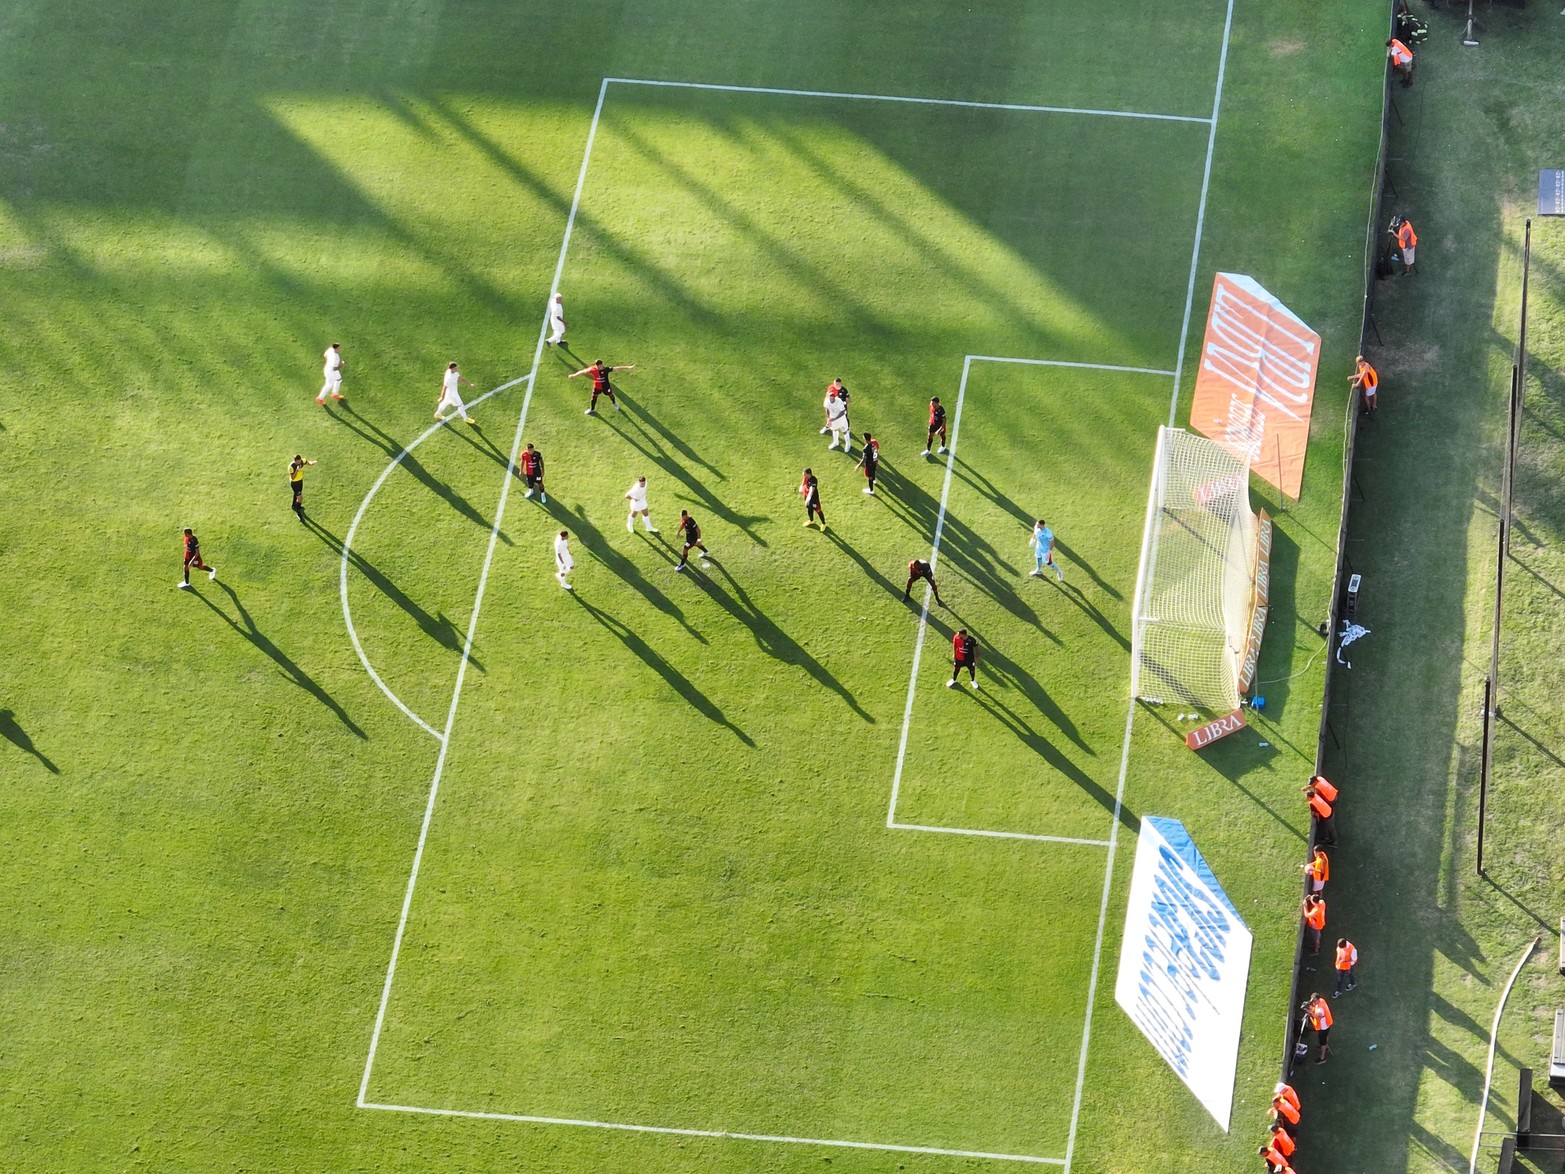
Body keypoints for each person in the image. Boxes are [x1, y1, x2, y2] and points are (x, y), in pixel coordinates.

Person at [569, 359, 634, 414]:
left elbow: (616, 368)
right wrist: (574, 375)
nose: (601, 366)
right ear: (597, 366)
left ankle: (614, 403)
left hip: (606, 386)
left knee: (610, 395)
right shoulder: (592, 369)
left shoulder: (606, 369)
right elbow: (582, 372)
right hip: (597, 387)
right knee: (594, 397)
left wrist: (628, 367)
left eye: (602, 365)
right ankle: (592, 409)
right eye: (600, 365)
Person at [1305, 775, 1339, 846]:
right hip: (1331, 804)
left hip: (1328, 813)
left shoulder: (1312, 802)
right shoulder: (1320, 778)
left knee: (1329, 827)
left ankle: (1334, 842)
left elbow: (1314, 813)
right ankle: (1326, 837)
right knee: (1327, 826)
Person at [289, 454, 318, 522]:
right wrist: (297, 470)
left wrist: (313, 462)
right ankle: (299, 513)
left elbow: (308, 463)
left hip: (300, 481)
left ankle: (294, 505)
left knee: (297, 494)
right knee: (300, 498)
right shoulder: (291, 467)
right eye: (298, 462)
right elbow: (292, 477)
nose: (299, 463)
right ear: (295, 461)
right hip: (294, 483)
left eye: (300, 461)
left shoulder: (302, 461)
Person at [1305, 993, 1333, 1064]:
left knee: (1322, 1042)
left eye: (1314, 1000)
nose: (1312, 1002)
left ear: (1317, 999)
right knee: (1326, 1036)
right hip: (1327, 1024)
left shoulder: (1320, 1010)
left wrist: (1310, 1012)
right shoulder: (1321, 1000)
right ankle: (1325, 1047)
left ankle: (1322, 1058)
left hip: (1323, 1027)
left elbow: (1318, 1017)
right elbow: (1316, 1007)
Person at [824, 385, 852, 454]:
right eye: (831, 396)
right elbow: (827, 409)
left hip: (841, 419)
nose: (832, 397)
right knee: (834, 429)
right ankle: (836, 442)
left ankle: (848, 444)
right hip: (833, 419)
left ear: (835, 396)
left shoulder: (839, 401)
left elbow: (842, 412)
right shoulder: (827, 401)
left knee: (845, 431)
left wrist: (834, 419)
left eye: (833, 396)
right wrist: (828, 418)